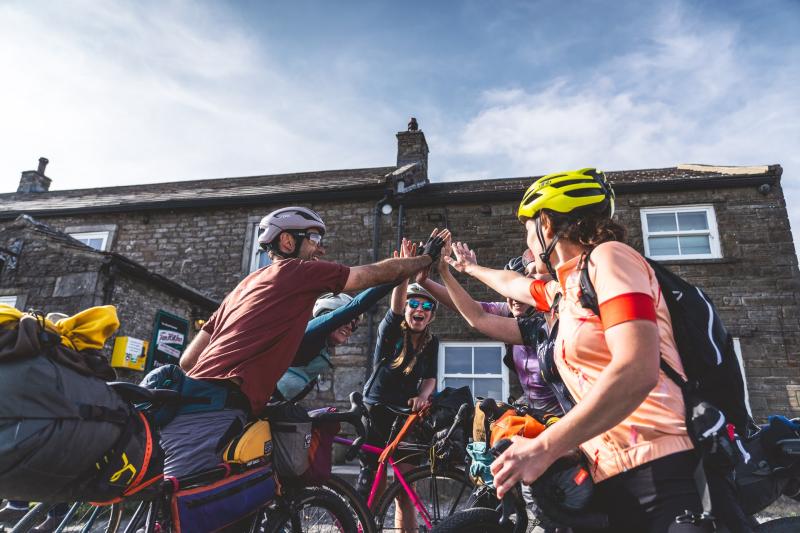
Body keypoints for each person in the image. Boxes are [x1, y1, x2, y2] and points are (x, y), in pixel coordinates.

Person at [447, 169, 712, 532]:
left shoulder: (610, 259)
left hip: (658, 464)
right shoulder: (566, 293)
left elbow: (637, 368)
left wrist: (544, 447)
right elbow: (511, 284)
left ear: (546, 224)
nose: (526, 239)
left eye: (527, 229)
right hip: (608, 471)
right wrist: (467, 268)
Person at [169, 206, 447, 478]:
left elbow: (188, 360)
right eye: (315, 240)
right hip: (221, 408)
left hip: (191, 400)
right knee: (193, 504)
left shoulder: (244, 286)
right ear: (288, 241)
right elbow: (368, 276)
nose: (321, 249)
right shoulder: (297, 272)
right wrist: (425, 258)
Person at [415, 251, 561, 415]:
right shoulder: (508, 312)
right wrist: (424, 281)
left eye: (518, 294)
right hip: (534, 411)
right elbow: (469, 309)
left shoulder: (554, 321)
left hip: (564, 415)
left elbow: (477, 316)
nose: (513, 300)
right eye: (508, 295)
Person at [358, 240, 440, 531]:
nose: (418, 309)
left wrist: (423, 395)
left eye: (426, 306)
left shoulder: (432, 343)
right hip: (377, 408)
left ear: (431, 314)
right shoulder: (391, 329)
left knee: (406, 487)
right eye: (413, 304)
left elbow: (430, 377)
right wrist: (404, 271)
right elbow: (394, 307)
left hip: (405, 413)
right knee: (375, 484)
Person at [276, 284, 394, 401]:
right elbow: (357, 305)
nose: (350, 328)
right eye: (347, 319)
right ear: (327, 316)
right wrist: (396, 274)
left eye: (354, 326)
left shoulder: (321, 350)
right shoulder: (309, 332)